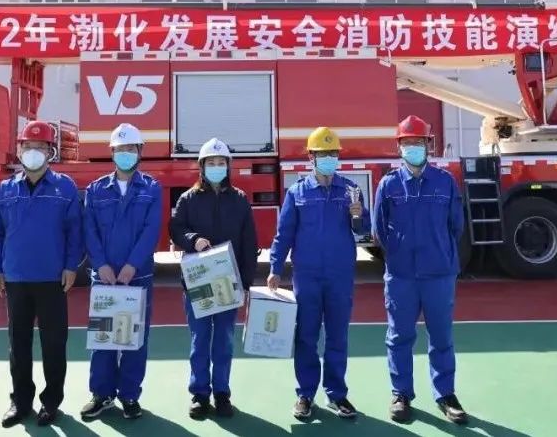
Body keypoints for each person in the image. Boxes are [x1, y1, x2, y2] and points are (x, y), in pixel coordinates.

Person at [267, 126, 370, 420]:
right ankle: (305, 395)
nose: (328, 158)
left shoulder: (350, 190)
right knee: (306, 336)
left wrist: (358, 216)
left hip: (339, 275)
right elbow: (284, 234)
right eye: (323, 153)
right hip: (307, 276)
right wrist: (275, 268)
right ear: (311, 157)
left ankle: (336, 394)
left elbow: (364, 229)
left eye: (332, 153)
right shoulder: (297, 192)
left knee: (337, 336)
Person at [0, 120, 83, 428]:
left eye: (40, 147)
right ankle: (20, 401)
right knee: (19, 343)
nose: (33, 152)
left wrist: (71, 266)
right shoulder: (4, 190)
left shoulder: (65, 188)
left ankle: (51, 401)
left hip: (52, 279)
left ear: (50, 152)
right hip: (15, 278)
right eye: (28, 146)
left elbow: (75, 232)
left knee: (54, 344)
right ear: (19, 150)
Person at [371, 115, 468, 425]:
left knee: (441, 336)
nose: (413, 147)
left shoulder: (445, 182)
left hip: (438, 273)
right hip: (402, 276)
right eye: (407, 142)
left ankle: (446, 394)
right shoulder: (388, 185)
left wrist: (438, 251)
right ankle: (401, 394)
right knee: (399, 336)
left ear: (429, 145)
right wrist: (399, 254)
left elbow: (456, 225)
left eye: (418, 142)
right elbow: (379, 230)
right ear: (399, 147)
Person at [169, 137, 259, 419]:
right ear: (202, 167)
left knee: (224, 341)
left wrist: (246, 283)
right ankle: (199, 394)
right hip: (197, 282)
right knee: (200, 340)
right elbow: (175, 229)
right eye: (211, 163)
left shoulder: (240, 200)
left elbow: (249, 243)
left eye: (221, 163)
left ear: (228, 167)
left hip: (228, 284)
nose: (217, 167)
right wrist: (193, 239)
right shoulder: (188, 199)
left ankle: (221, 393)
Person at [80, 123, 162, 420]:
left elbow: (151, 230)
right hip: (104, 277)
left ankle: (129, 395)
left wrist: (131, 265)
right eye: (120, 149)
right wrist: (100, 264)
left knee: (134, 339)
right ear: (112, 152)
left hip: (137, 277)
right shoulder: (96, 189)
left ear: (140, 152)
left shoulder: (151, 188)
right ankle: (101, 394)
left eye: (131, 148)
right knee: (104, 338)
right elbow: (89, 230)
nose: (125, 153)